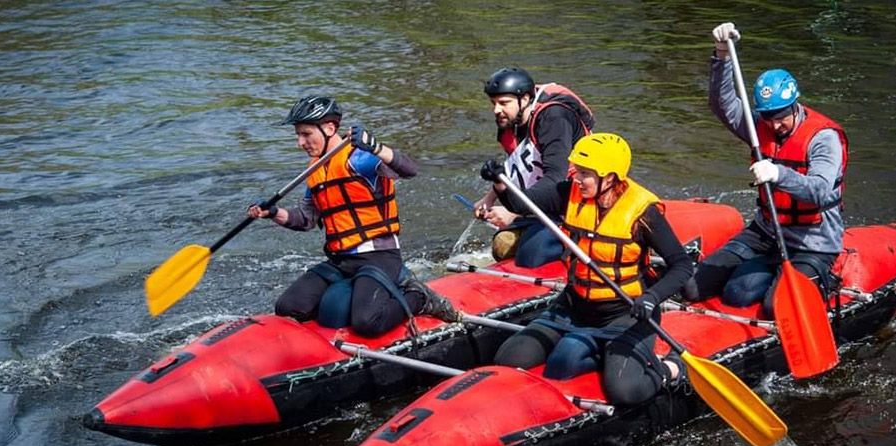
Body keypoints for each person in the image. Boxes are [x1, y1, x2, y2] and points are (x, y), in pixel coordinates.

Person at [493, 133, 693, 405]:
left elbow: (682, 266)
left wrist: (652, 298)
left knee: (625, 392)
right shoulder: (569, 193)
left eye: (585, 173)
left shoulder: (643, 214)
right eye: (577, 170)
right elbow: (521, 202)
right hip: (573, 307)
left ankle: (671, 368)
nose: (576, 178)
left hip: (626, 312)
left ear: (609, 178)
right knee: (507, 359)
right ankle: (592, 352)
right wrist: (500, 183)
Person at [248, 95, 459, 337]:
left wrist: (377, 147)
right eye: (298, 135)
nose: (300, 142)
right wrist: (273, 213)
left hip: (379, 257)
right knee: (287, 307)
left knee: (367, 323)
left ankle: (419, 298)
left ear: (329, 128)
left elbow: (409, 169)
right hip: (341, 261)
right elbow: (306, 219)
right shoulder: (315, 169)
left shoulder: (361, 158)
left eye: (306, 134)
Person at [682, 22, 847, 317]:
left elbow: (821, 190)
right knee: (707, 290)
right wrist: (721, 56)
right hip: (766, 232)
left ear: (794, 106)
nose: (774, 125)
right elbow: (722, 104)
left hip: (814, 241)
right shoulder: (762, 126)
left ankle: (823, 281)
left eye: (781, 117)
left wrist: (778, 174)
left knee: (775, 307)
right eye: (768, 116)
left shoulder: (824, 138)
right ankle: (764, 275)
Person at [473, 67, 596, 267]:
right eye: (493, 103)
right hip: (546, 200)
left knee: (530, 256)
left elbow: (556, 179)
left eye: (503, 103)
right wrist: (489, 199)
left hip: (575, 198)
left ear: (526, 99)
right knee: (501, 246)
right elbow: (518, 167)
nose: (496, 110)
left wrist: (514, 211)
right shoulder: (511, 120)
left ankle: (576, 246)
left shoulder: (554, 118)